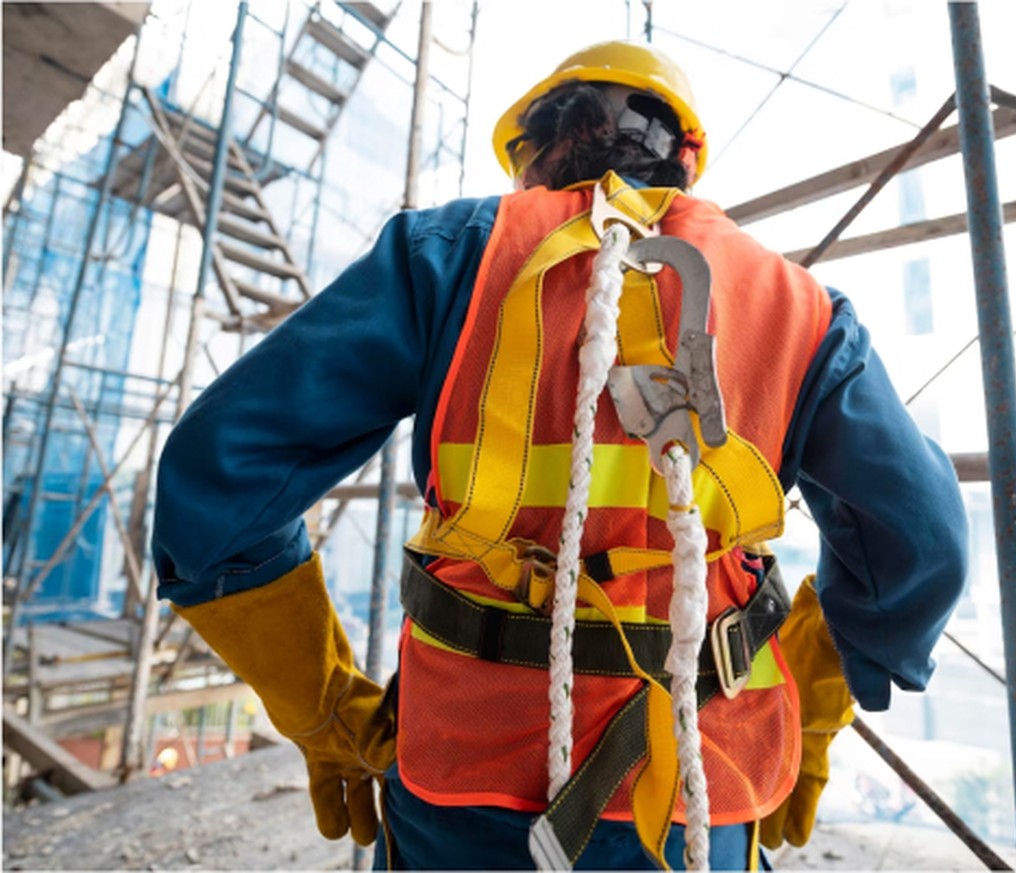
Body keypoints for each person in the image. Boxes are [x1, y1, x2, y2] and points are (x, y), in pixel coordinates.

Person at [152, 40, 968, 871]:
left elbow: (217, 475)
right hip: (705, 779)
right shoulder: (795, 305)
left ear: (536, 151)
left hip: (465, 775)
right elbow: (923, 536)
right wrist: (817, 697)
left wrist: (322, 704)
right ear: (685, 159)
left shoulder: (449, 257)